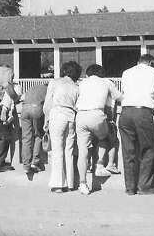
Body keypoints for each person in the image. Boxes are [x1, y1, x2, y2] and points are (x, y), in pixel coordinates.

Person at [74, 64, 123, 194]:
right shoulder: (106, 82)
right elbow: (119, 97)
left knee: (83, 151)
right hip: (97, 114)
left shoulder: (82, 83)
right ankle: (100, 164)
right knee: (104, 136)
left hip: (81, 115)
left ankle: (83, 184)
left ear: (88, 74)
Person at [119, 54, 154, 195]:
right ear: (151, 62)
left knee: (128, 151)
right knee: (148, 149)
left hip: (125, 112)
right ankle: (145, 186)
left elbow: (124, 92)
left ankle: (130, 188)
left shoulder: (126, 72)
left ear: (138, 62)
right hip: (143, 112)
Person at [43, 61, 81, 193]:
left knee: (57, 151)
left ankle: (58, 184)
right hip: (71, 116)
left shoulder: (55, 82)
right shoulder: (77, 87)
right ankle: (70, 183)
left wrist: (46, 121)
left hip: (57, 114)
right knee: (69, 151)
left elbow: (48, 104)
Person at [19, 82, 48, 179]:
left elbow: (22, 98)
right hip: (36, 109)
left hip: (25, 109)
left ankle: (26, 165)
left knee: (26, 138)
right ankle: (35, 162)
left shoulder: (31, 88)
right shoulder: (47, 89)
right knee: (38, 135)